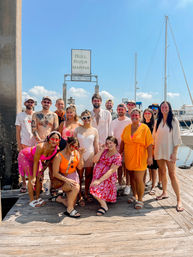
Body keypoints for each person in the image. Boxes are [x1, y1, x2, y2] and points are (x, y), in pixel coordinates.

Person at [153, 101, 184, 212]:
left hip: (170, 151)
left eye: (166, 107)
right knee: (162, 172)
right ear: (160, 109)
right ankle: (164, 192)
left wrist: (175, 153)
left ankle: (179, 200)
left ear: (169, 108)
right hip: (159, 150)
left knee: (172, 174)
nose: (164, 108)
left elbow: (177, 139)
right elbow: (154, 137)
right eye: (162, 107)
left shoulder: (174, 121)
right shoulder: (158, 121)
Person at [120, 108, 153, 209]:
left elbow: (149, 144)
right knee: (132, 178)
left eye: (136, 115)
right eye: (132, 115)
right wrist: (119, 154)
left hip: (141, 157)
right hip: (129, 157)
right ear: (130, 116)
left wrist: (150, 157)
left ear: (139, 116)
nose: (134, 117)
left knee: (139, 179)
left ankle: (140, 199)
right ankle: (134, 195)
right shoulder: (127, 128)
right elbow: (123, 142)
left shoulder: (144, 128)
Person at [18, 131, 61, 207]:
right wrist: (34, 177)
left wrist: (42, 171)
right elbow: (36, 162)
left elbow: (48, 161)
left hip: (36, 159)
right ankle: (31, 200)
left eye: (57, 139)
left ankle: (37, 198)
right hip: (25, 156)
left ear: (59, 141)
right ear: (48, 139)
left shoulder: (56, 149)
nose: (54, 141)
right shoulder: (40, 146)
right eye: (52, 138)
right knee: (32, 178)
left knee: (39, 178)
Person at [52, 137, 84, 218]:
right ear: (67, 144)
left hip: (73, 177)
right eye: (72, 146)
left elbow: (80, 167)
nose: (74, 148)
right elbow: (55, 173)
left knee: (71, 203)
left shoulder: (76, 153)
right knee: (75, 187)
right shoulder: (59, 156)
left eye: (76, 147)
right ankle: (69, 210)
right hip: (62, 180)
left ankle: (60, 199)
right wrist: (67, 180)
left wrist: (81, 155)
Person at [90, 136, 122, 215]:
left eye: (111, 143)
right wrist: (101, 150)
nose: (109, 145)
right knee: (94, 188)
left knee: (94, 188)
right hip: (97, 175)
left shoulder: (117, 156)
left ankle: (104, 206)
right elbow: (94, 160)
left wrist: (99, 180)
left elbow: (111, 171)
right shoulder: (104, 151)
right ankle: (103, 200)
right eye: (107, 143)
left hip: (107, 177)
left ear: (115, 144)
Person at [74, 110, 99, 206]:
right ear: (81, 119)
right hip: (79, 155)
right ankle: (79, 194)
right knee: (79, 177)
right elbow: (74, 144)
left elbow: (96, 145)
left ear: (91, 118)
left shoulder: (94, 130)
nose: (86, 119)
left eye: (88, 117)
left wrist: (97, 157)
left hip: (90, 155)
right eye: (84, 118)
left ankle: (86, 193)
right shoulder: (77, 129)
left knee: (89, 176)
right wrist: (76, 153)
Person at [15, 97, 36, 193]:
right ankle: (24, 183)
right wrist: (19, 145)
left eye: (32, 102)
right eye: (28, 102)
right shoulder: (20, 115)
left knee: (35, 165)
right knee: (23, 165)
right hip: (24, 144)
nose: (30, 103)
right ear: (25, 103)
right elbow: (18, 131)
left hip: (35, 145)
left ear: (34, 104)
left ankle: (35, 183)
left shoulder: (36, 115)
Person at [110, 103, 131, 193]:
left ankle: (128, 185)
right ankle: (119, 183)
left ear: (125, 110)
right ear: (117, 110)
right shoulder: (113, 122)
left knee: (127, 166)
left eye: (122, 109)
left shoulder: (129, 121)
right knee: (118, 167)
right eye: (119, 109)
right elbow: (112, 135)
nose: (120, 111)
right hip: (116, 148)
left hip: (127, 147)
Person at [142, 108, 158, 195]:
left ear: (152, 115)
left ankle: (153, 186)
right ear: (143, 115)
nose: (147, 115)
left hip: (152, 148)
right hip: (144, 149)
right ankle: (150, 180)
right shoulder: (141, 124)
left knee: (154, 168)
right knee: (148, 167)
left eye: (149, 113)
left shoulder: (154, 124)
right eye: (145, 113)